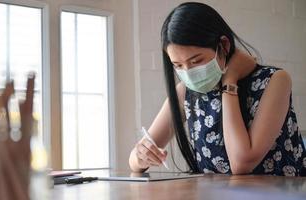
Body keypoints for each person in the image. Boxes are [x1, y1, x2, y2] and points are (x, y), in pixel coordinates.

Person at [129, 2, 306, 176]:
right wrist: (141, 156)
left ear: (224, 45)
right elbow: (134, 161)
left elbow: (241, 163)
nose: (189, 73)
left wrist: (230, 80)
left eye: (196, 61)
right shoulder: (185, 92)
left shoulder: (275, 81)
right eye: (178, 65)